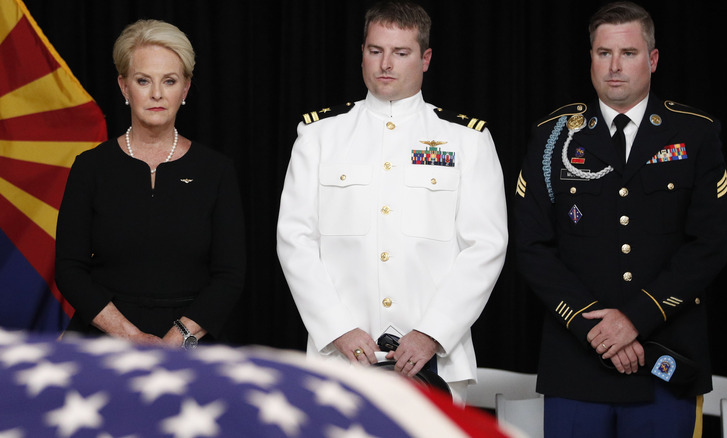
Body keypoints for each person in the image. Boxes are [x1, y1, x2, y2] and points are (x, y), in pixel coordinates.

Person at [514, 2, 727, 436]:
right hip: (576, 361)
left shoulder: (694, 133)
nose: (614, 67)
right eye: (603, 53)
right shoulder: (553, 135)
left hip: (664, 360)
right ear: (591, 58)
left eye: (628, 53)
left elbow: (711, 243)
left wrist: (635, 319)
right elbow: (532, 246)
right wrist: (591, 324)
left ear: (652, 59)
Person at [276, 0, 507, 401]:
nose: (386, 64)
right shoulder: (319, 136)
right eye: (375, 50)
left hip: (434, 361)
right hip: (340, 357)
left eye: (401, 53)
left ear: (425, 58)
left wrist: (433, 332)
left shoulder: (466, 139)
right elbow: (294, 240)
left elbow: (486, 246)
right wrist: (337, 328)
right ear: (362, 53)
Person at [55, 19, 245, 350]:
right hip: (103, 342)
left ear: (184, 89)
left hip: (193, 344)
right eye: (144, 81)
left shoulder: (217, 170)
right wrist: (131, 337)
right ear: (124, 86)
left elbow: (230, 275)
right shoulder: (90, 167)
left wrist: (178, 338)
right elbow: (70, 269)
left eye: (169, 81)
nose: (157, 94)